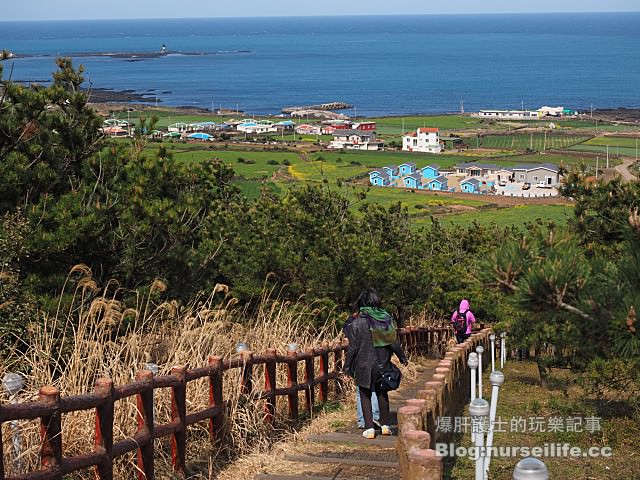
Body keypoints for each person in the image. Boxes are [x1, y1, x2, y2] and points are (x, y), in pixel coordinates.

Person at [344, 289, 408, 439]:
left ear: (361, 304)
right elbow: (394, 343)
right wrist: (402, 357)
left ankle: (369, 428)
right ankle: (385, 426)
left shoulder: (357, 323)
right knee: (382, 393)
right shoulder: (385, 320)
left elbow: (352, 348)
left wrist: (347, 367)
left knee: (365, 393)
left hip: (364, 365)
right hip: (383, 363)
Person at [343, 311, 380, 429]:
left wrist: (347, 367)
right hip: (376, 361)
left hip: (360, 363)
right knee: (373, 389)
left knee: (361, 392)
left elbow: (352, 347)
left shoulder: (354, 324)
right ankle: (374, 416)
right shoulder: (378, 322)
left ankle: (362, 420)